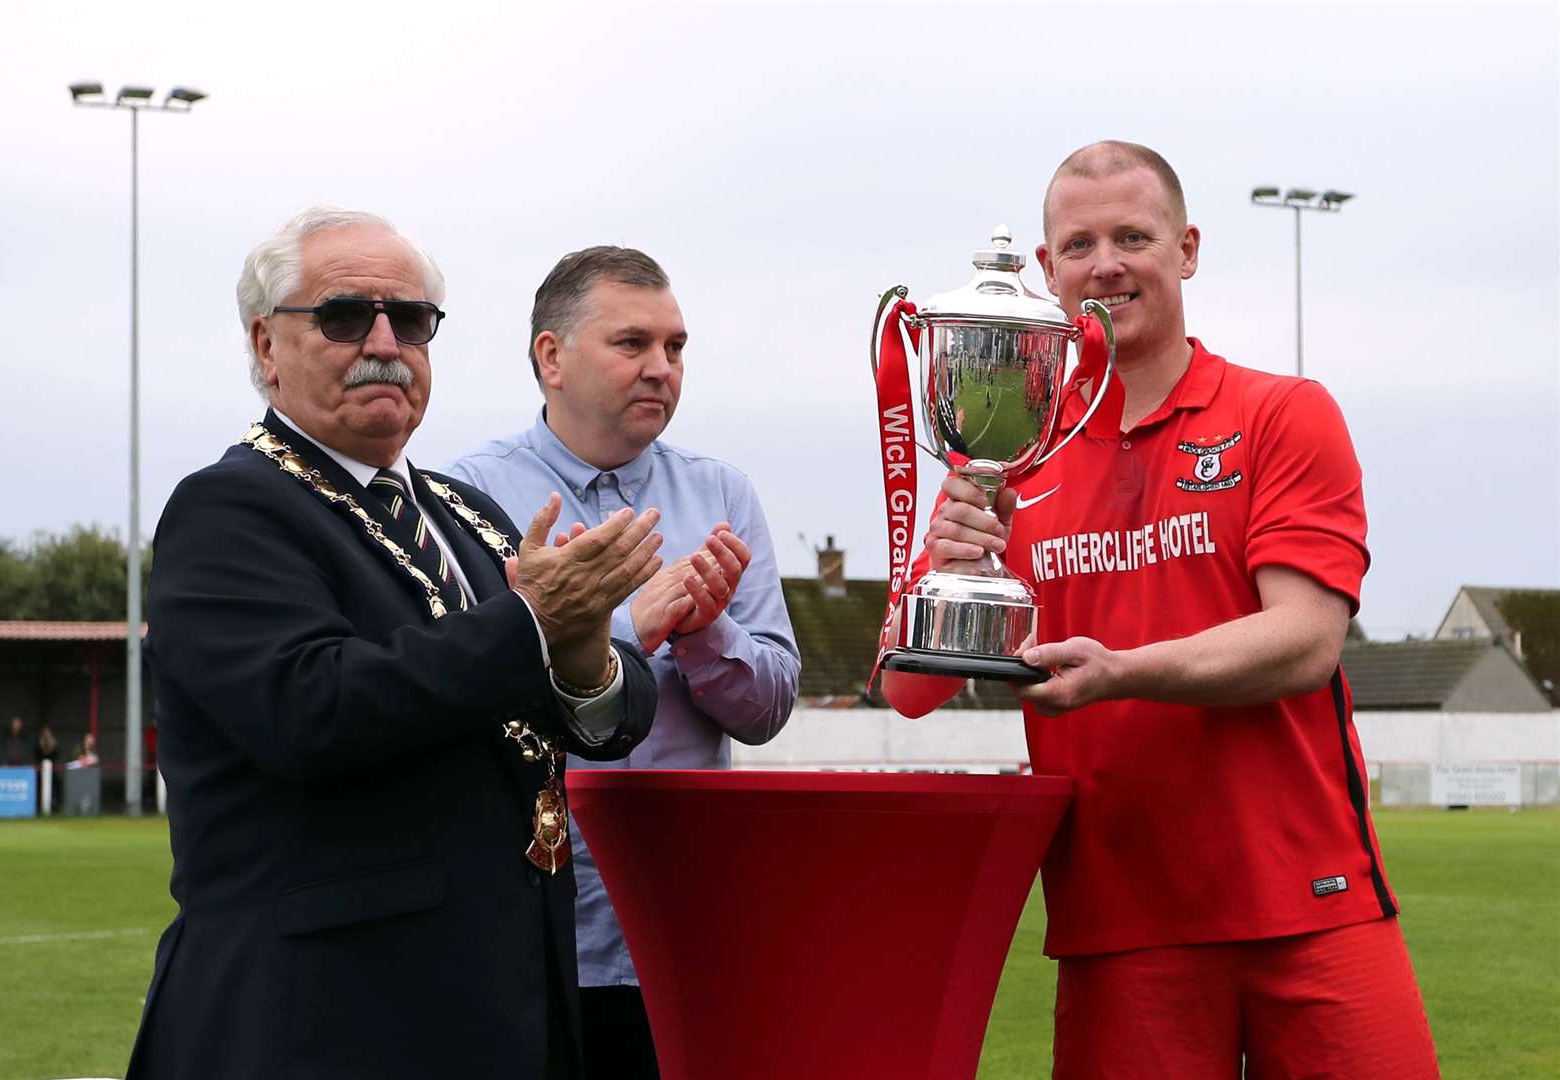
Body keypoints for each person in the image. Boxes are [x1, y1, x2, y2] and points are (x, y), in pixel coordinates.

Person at [884, 142, 1439, 1078]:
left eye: (1133, 237)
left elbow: (1304, 642)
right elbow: (906, 696)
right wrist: (940, 573)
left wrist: (1123, 674)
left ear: (1186, 249)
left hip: (1309, 896)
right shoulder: (1003, 453)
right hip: (1121, 921)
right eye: (1080, 243)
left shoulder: (1283, 414)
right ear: (1046, 270)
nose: (1107, 264)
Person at [125, 207, 664, 1080]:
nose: (385, 341)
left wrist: (583, 654)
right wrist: (531, 623)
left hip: (503, 1003)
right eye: (344, 315)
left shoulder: (466, 513)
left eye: (410, 319)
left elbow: (614, 713)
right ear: (266, 345)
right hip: (320, 1019)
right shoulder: (230, 510)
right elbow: (312, 709)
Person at [449, 245, 800, 1078]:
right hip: (531, 926)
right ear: (551, 357)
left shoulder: (722, 494)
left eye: (675, 348)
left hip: (686, 926)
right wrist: (625, 632)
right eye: (632, 343)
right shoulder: (469, 495)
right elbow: (463, 697)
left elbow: (769, 709)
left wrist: (706, 633)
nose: (661, 369)